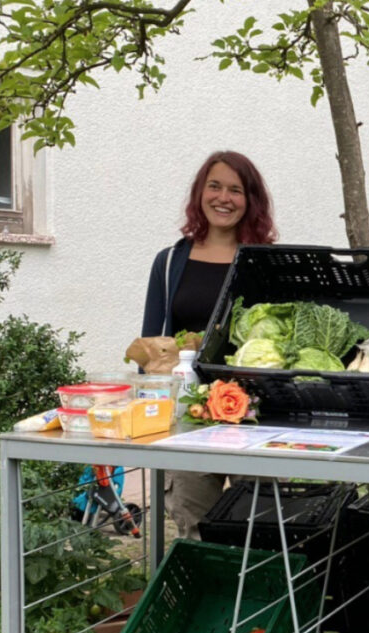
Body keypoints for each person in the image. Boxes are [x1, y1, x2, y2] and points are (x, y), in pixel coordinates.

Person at [141, 150, 278, 539]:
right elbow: (151, 345)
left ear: (250, 201)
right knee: (197, 533)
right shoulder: (169, 261)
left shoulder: (265, 263)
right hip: (189, 419)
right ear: (200, 193)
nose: (224, 197)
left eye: (236, 190)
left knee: (263, 527)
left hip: (256, 417)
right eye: (214, 186)